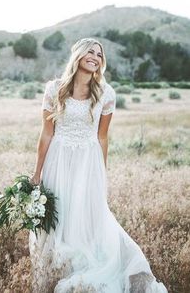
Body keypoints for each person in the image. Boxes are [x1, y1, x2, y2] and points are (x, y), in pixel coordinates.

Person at [28, 38, 168, 292]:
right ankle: (55, 269)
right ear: (78, 55)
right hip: (57, 161)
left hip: (87, 162)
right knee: (58, 216)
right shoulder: (54, 89)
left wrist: (100, 173)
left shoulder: (106, 93)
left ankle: (86, 272)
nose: (95, 56)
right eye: (90, 52)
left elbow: (102, 137)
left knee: (88, 217)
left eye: (99, 54)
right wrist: (37, 172)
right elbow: (46, 133)